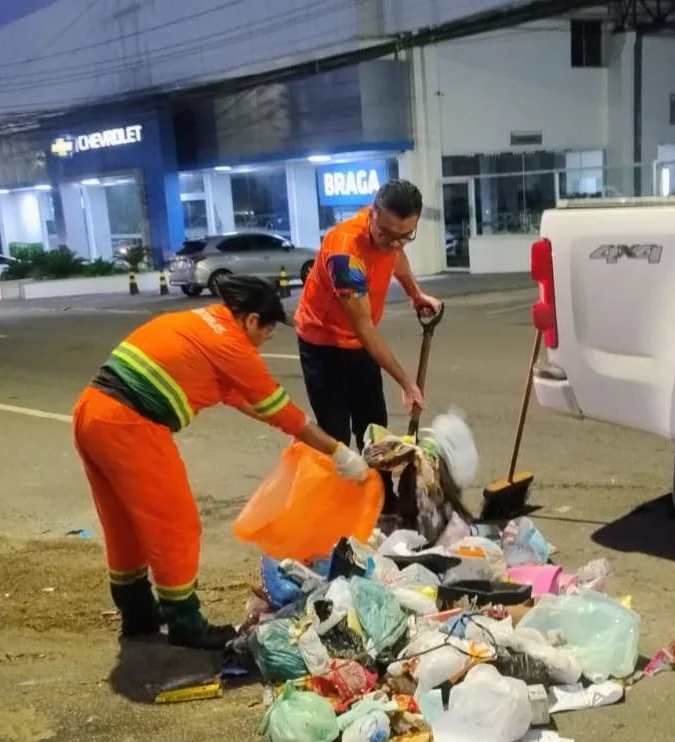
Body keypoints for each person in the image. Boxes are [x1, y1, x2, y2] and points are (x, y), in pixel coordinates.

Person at [73, 275, 370, 650]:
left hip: (91, 412)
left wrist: (303, 437)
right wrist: (339, 453)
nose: (265, 341)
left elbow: (245, 400)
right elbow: (284, 413)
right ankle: (185, 624)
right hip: (131, 423)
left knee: (123, 523)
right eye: (267, 332)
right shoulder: (232, 345)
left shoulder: (202, 323)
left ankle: (136, 612)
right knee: (176, 524)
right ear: (250, 320)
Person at [294, 179, 443, 512]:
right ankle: (338, 504)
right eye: (387, 233)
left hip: (357, 341)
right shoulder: (345, 252)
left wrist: (414, 293)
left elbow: (396, 257)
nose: (394, 242)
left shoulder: (392, 236)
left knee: (373, 427)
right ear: (372, 214)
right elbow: (362, 328)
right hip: (322, 341)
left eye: (405, 234)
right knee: (336, 432)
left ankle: (381, 500)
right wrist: (406, 382)